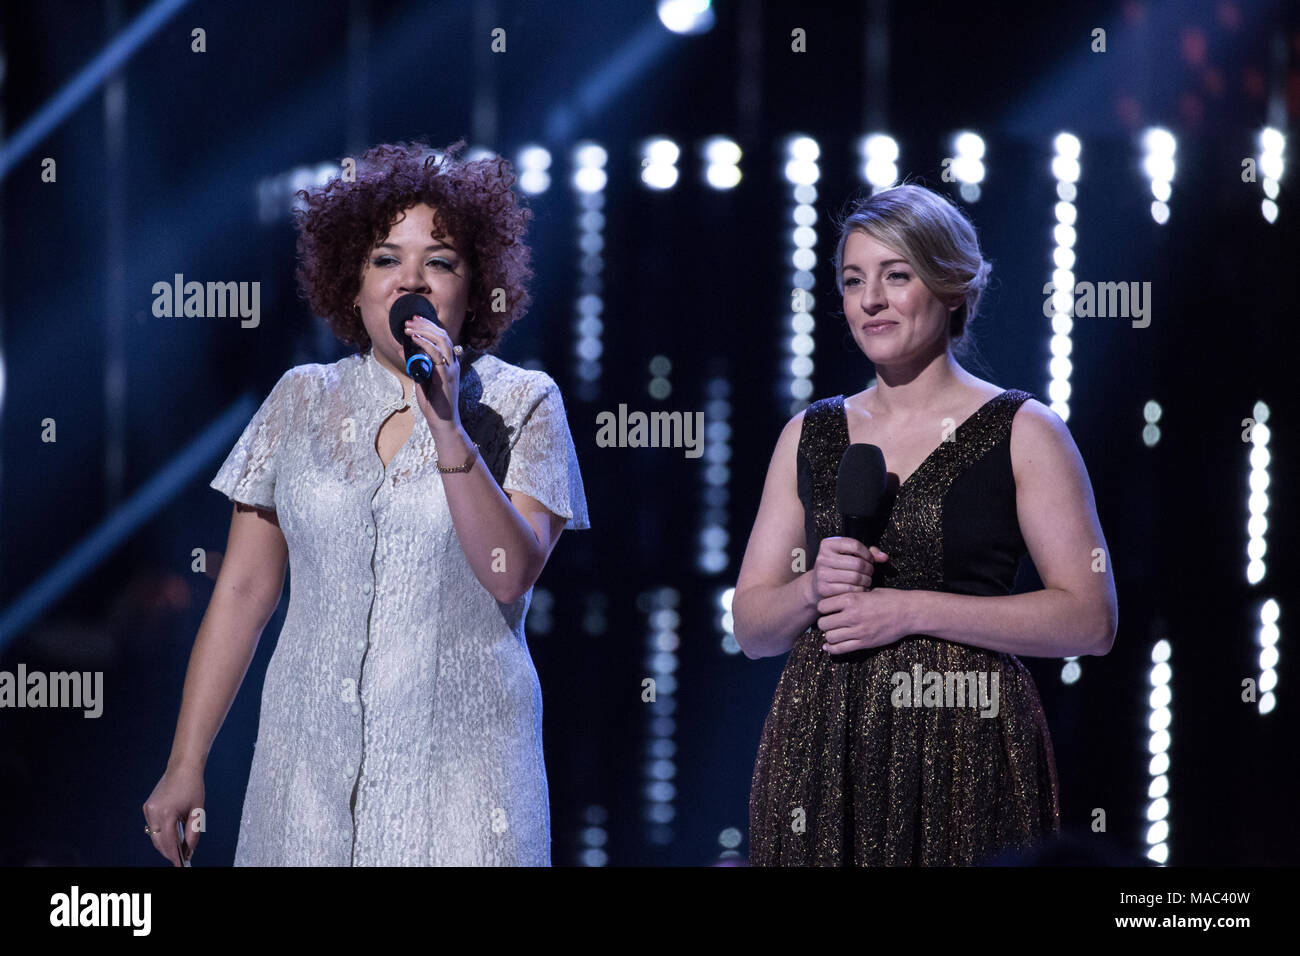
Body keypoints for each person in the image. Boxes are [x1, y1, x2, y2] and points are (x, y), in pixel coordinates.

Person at [142, 140, 589, 866]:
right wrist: (185, 762)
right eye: (386, 259)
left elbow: (510, 572)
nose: (410, 278)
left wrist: (446, 422)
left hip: (460, 786)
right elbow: (246, 591)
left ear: (473, 290)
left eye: (439, 261)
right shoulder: (300, 398)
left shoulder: (521, 402)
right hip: (304, 781)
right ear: (351, 286)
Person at [735, 182, 1117, 866]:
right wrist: (811, 591)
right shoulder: (810, 434)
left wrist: (908, 610)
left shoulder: (1024, 431)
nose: (871, 299)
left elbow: (1090, 619)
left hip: (965, 742)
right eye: (854, 281)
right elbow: (752, 627)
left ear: (950, 288)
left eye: (896, 276)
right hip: (822, 748)